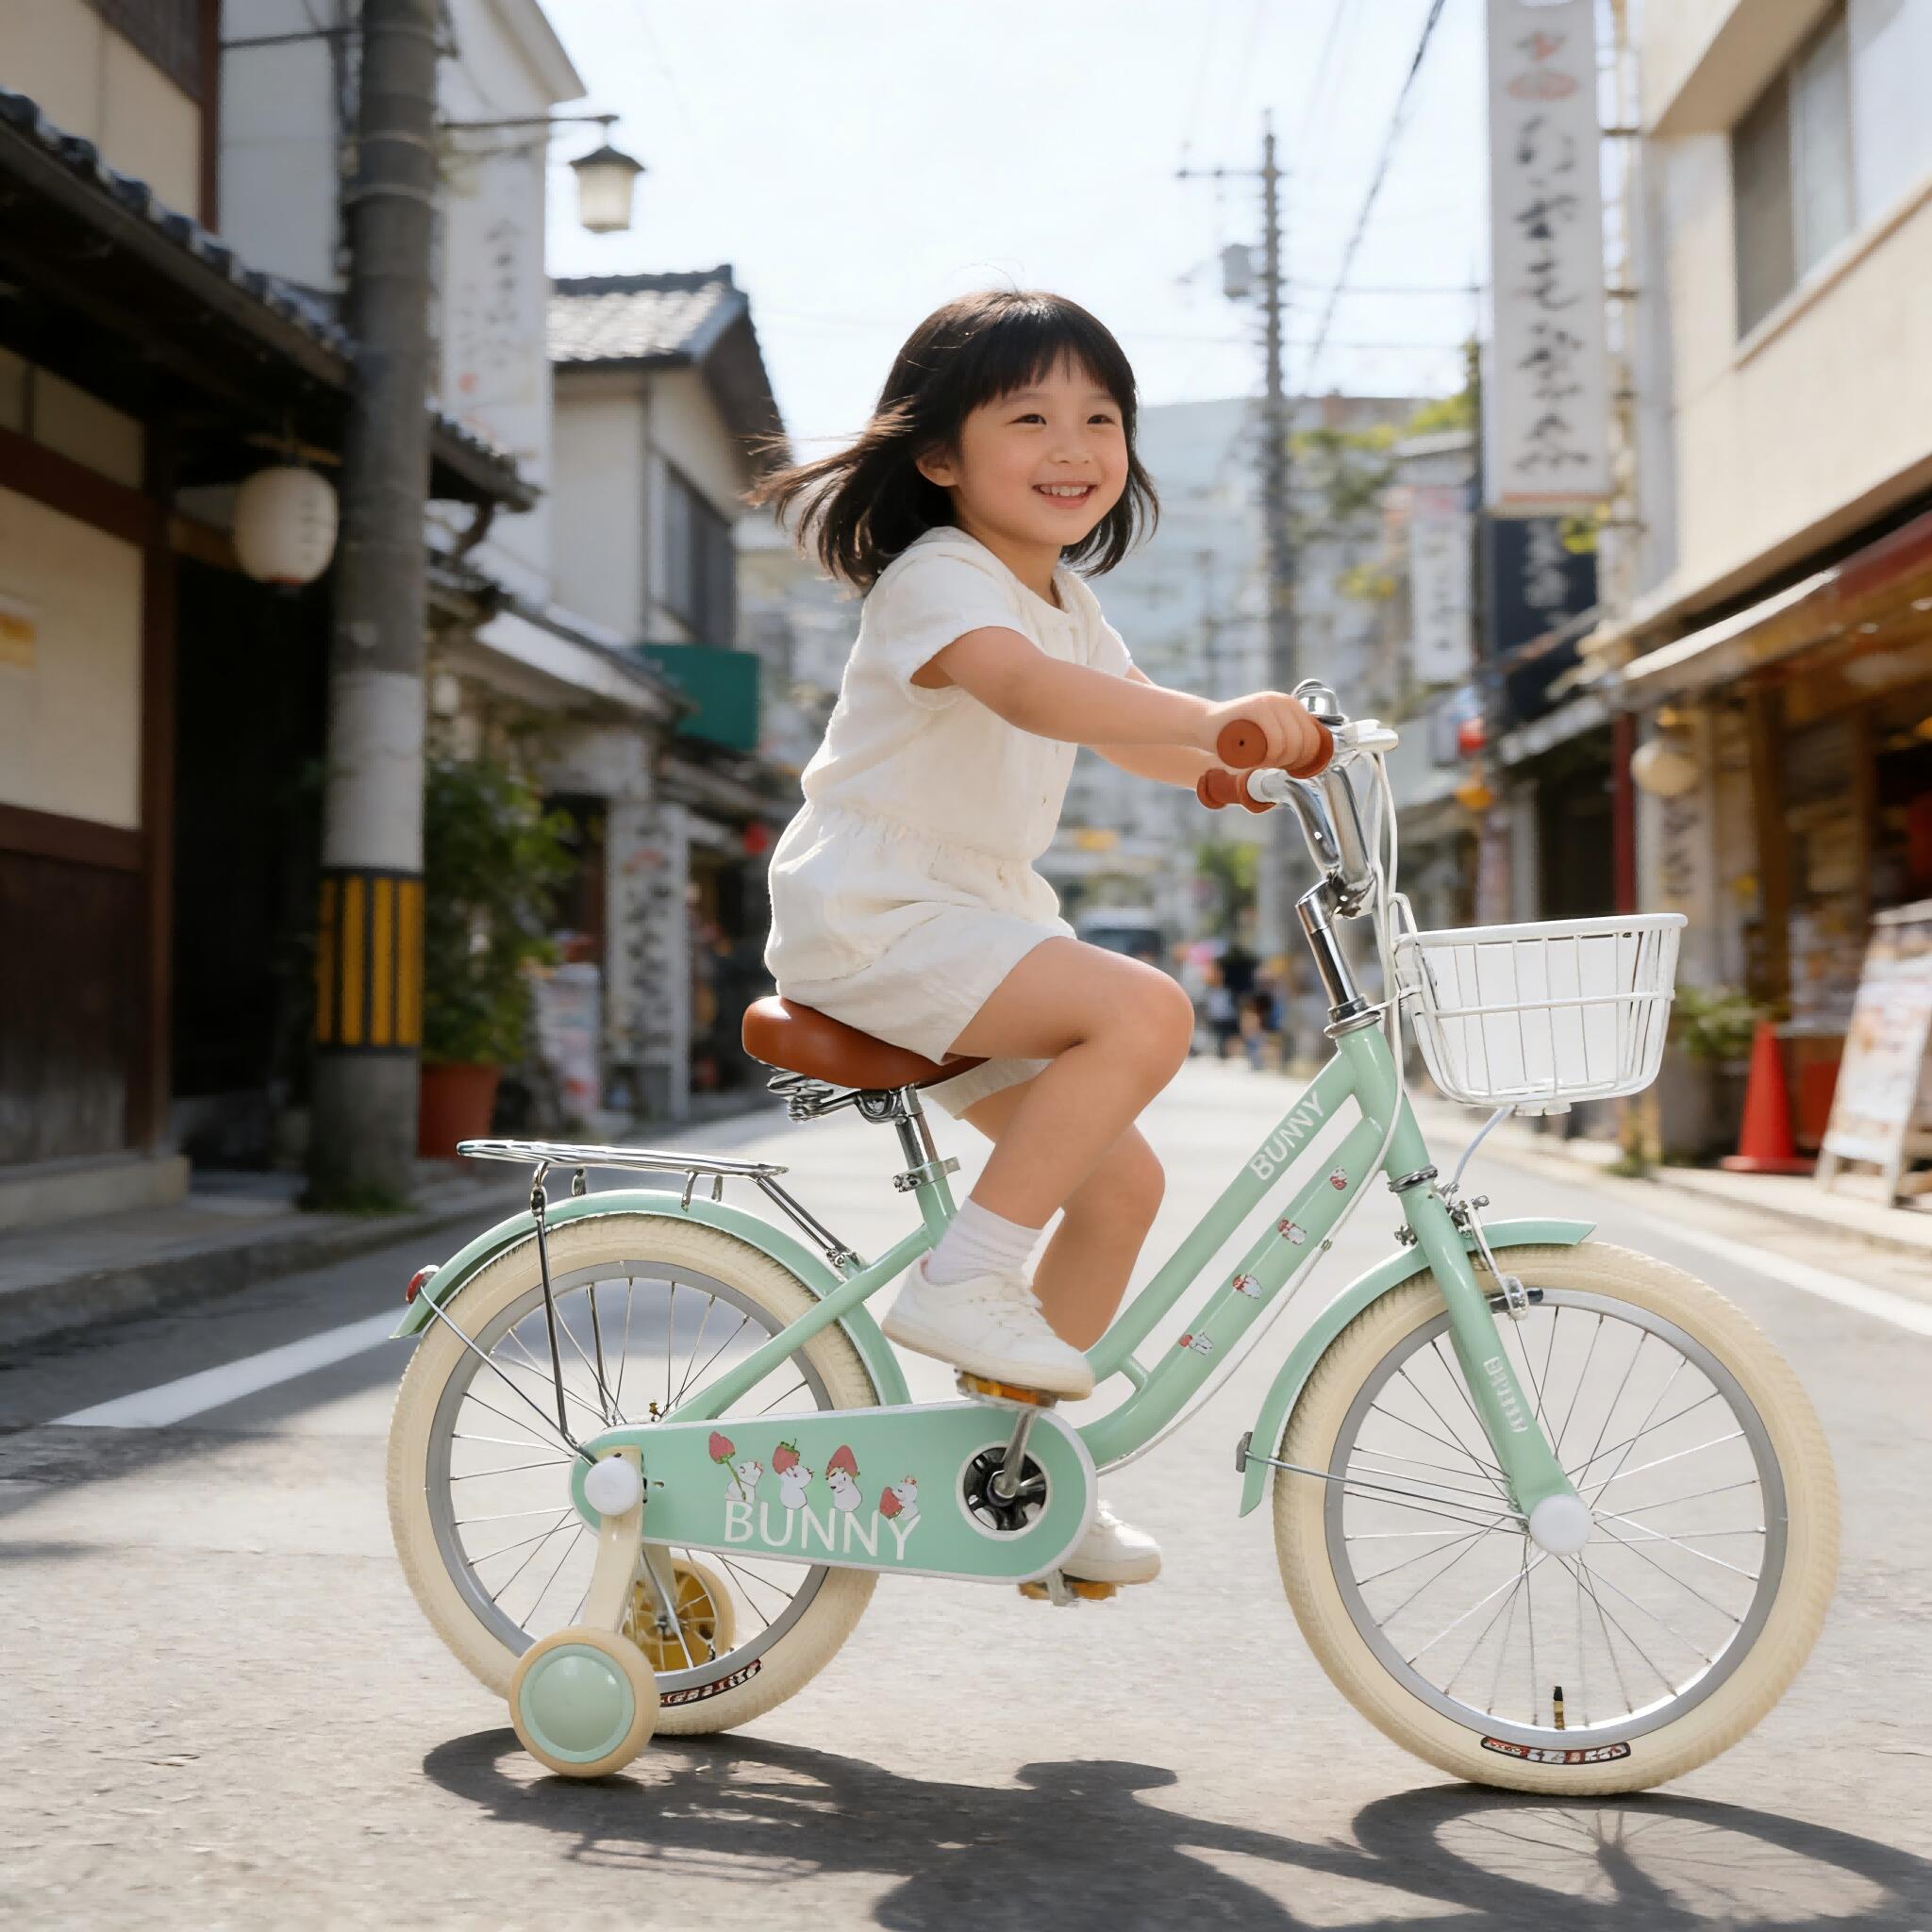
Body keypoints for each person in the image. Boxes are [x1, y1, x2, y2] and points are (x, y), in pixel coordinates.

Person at [748, 290, 1322, 1586]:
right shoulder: (940, 577)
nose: (1076, 446)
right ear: (940, 455)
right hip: (880, 910)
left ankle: (1015, 1488)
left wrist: (1224, 767)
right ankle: (969, 1278)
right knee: (1144, 1009)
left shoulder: (1061, 594)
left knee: (1123, 1189)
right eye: (1032, 417)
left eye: (1101, 418)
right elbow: (1026, 690)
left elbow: (1115, 720)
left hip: (977, 917)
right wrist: (1215, 714)